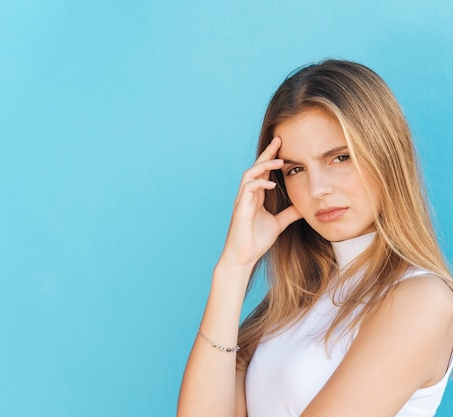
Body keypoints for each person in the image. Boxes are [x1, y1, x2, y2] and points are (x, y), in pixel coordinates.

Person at [177, 59, 453, 417]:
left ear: (386, 155)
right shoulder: (291, 304)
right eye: (296, 169)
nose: (318, 189)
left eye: (340, 157)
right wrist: (235, 266)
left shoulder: (423, 299)